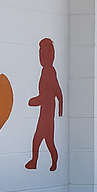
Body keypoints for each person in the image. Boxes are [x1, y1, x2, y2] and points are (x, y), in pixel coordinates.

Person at [25, 38, 63, 170]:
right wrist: (60, 107)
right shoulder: (48, 70)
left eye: (44, 53)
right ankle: (35, 161)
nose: (42, 56)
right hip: (45, 113)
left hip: (47, 114)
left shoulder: (49, 71)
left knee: (48, 141)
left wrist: (34, 101)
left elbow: (50, 94)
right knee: (39, 140)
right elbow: (57, 91)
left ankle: (51, 163)